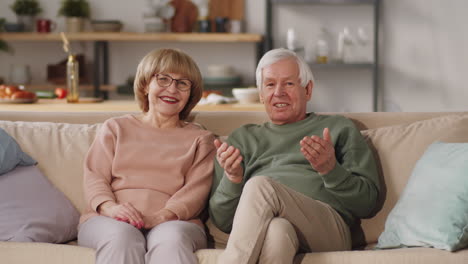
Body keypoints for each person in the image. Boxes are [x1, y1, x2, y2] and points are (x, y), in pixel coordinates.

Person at [208, 48, 380, 264]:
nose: (278, 92)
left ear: (308, 90)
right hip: (276, 225)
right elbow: (222, 222)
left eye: (289, 83)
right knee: (277, 231)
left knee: (259, 185)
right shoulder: (241, 140)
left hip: (328, 228)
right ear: (261, 94)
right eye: (270, 85)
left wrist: (330, 170)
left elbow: (368, 203)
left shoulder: (337, 128)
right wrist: (233, 179)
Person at [77, 48, 216, 264]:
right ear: (145, 84)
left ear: (191, 93)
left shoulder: (201, 139)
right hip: (109, 220)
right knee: (122, 236)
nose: (172, 89)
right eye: (163, 79)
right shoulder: (115, 128)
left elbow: (196, 193)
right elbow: (95, 177)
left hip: (174, 223)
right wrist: (112, 209)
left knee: (172, 239)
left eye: (182, 83)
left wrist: (158, 217)